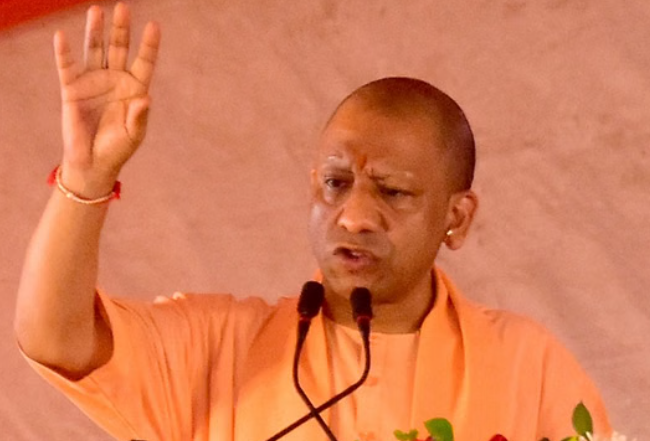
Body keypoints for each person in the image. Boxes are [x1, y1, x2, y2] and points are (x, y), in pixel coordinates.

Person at [14, 3, 611, 441]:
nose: (355, 216)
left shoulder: (527, 365)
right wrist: (86, 178)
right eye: (336, 183)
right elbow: (53, 338)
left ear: (456, 217)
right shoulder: (220, 350)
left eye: (393, 192)